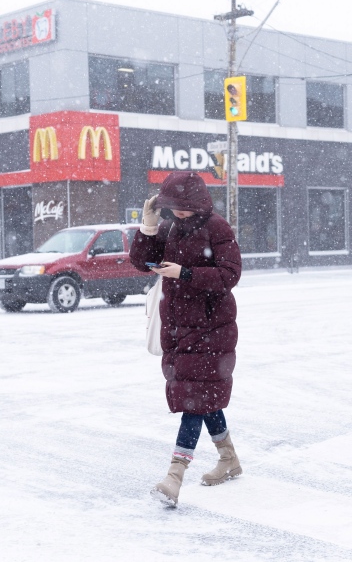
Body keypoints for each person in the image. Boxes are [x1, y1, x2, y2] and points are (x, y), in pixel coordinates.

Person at [129, 171, 243, 507]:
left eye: (182, 208)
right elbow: (139, 262)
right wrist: (148, 227)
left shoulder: (217, 227)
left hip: (212, 328)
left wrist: (186, 273)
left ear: (196, 203)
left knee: (194, 400)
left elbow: (230, 273)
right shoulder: (168, 227)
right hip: (177, 327)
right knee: (202, 396)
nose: (177, 213)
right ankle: (229, 459)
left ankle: (174, 477)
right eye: (171, 207)